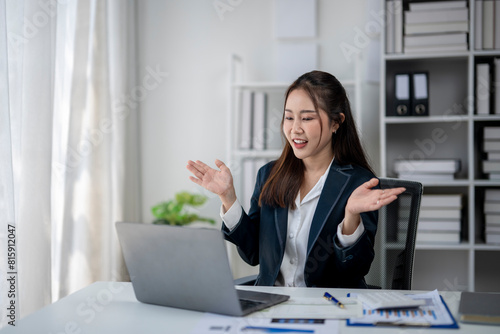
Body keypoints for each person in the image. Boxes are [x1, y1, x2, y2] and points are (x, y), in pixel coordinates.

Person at [187, 70, 405, 288]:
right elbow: (252, 254)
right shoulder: (269, 175)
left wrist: (351, 217)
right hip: (272, 303)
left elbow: (355, 269)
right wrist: (228, 198)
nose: (295, 129)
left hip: (327, 307)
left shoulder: (359, 182)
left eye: (307, 118)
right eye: (289, 117)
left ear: (336, 122)